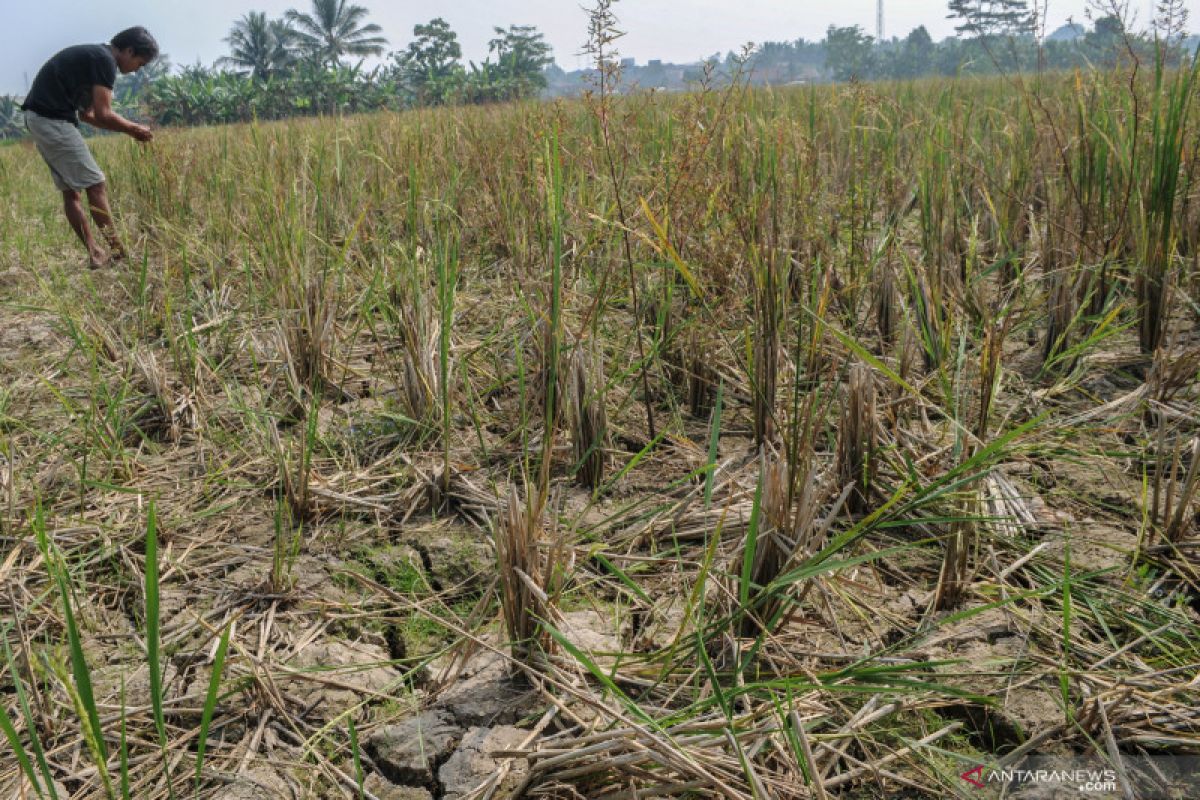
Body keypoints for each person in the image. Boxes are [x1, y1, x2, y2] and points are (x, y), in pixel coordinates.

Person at [21, 27, 159, 269]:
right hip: (51, 119)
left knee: (71, 192)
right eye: (140, 62)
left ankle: (96, 253)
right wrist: (134, 129)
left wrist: (129, 129)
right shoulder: (105, 61)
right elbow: (104, 114)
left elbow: (88, 115)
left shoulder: (95, 58)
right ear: (128, 51)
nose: (138, 69)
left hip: (40, 118)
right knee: (96, 185)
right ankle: (119, 253)